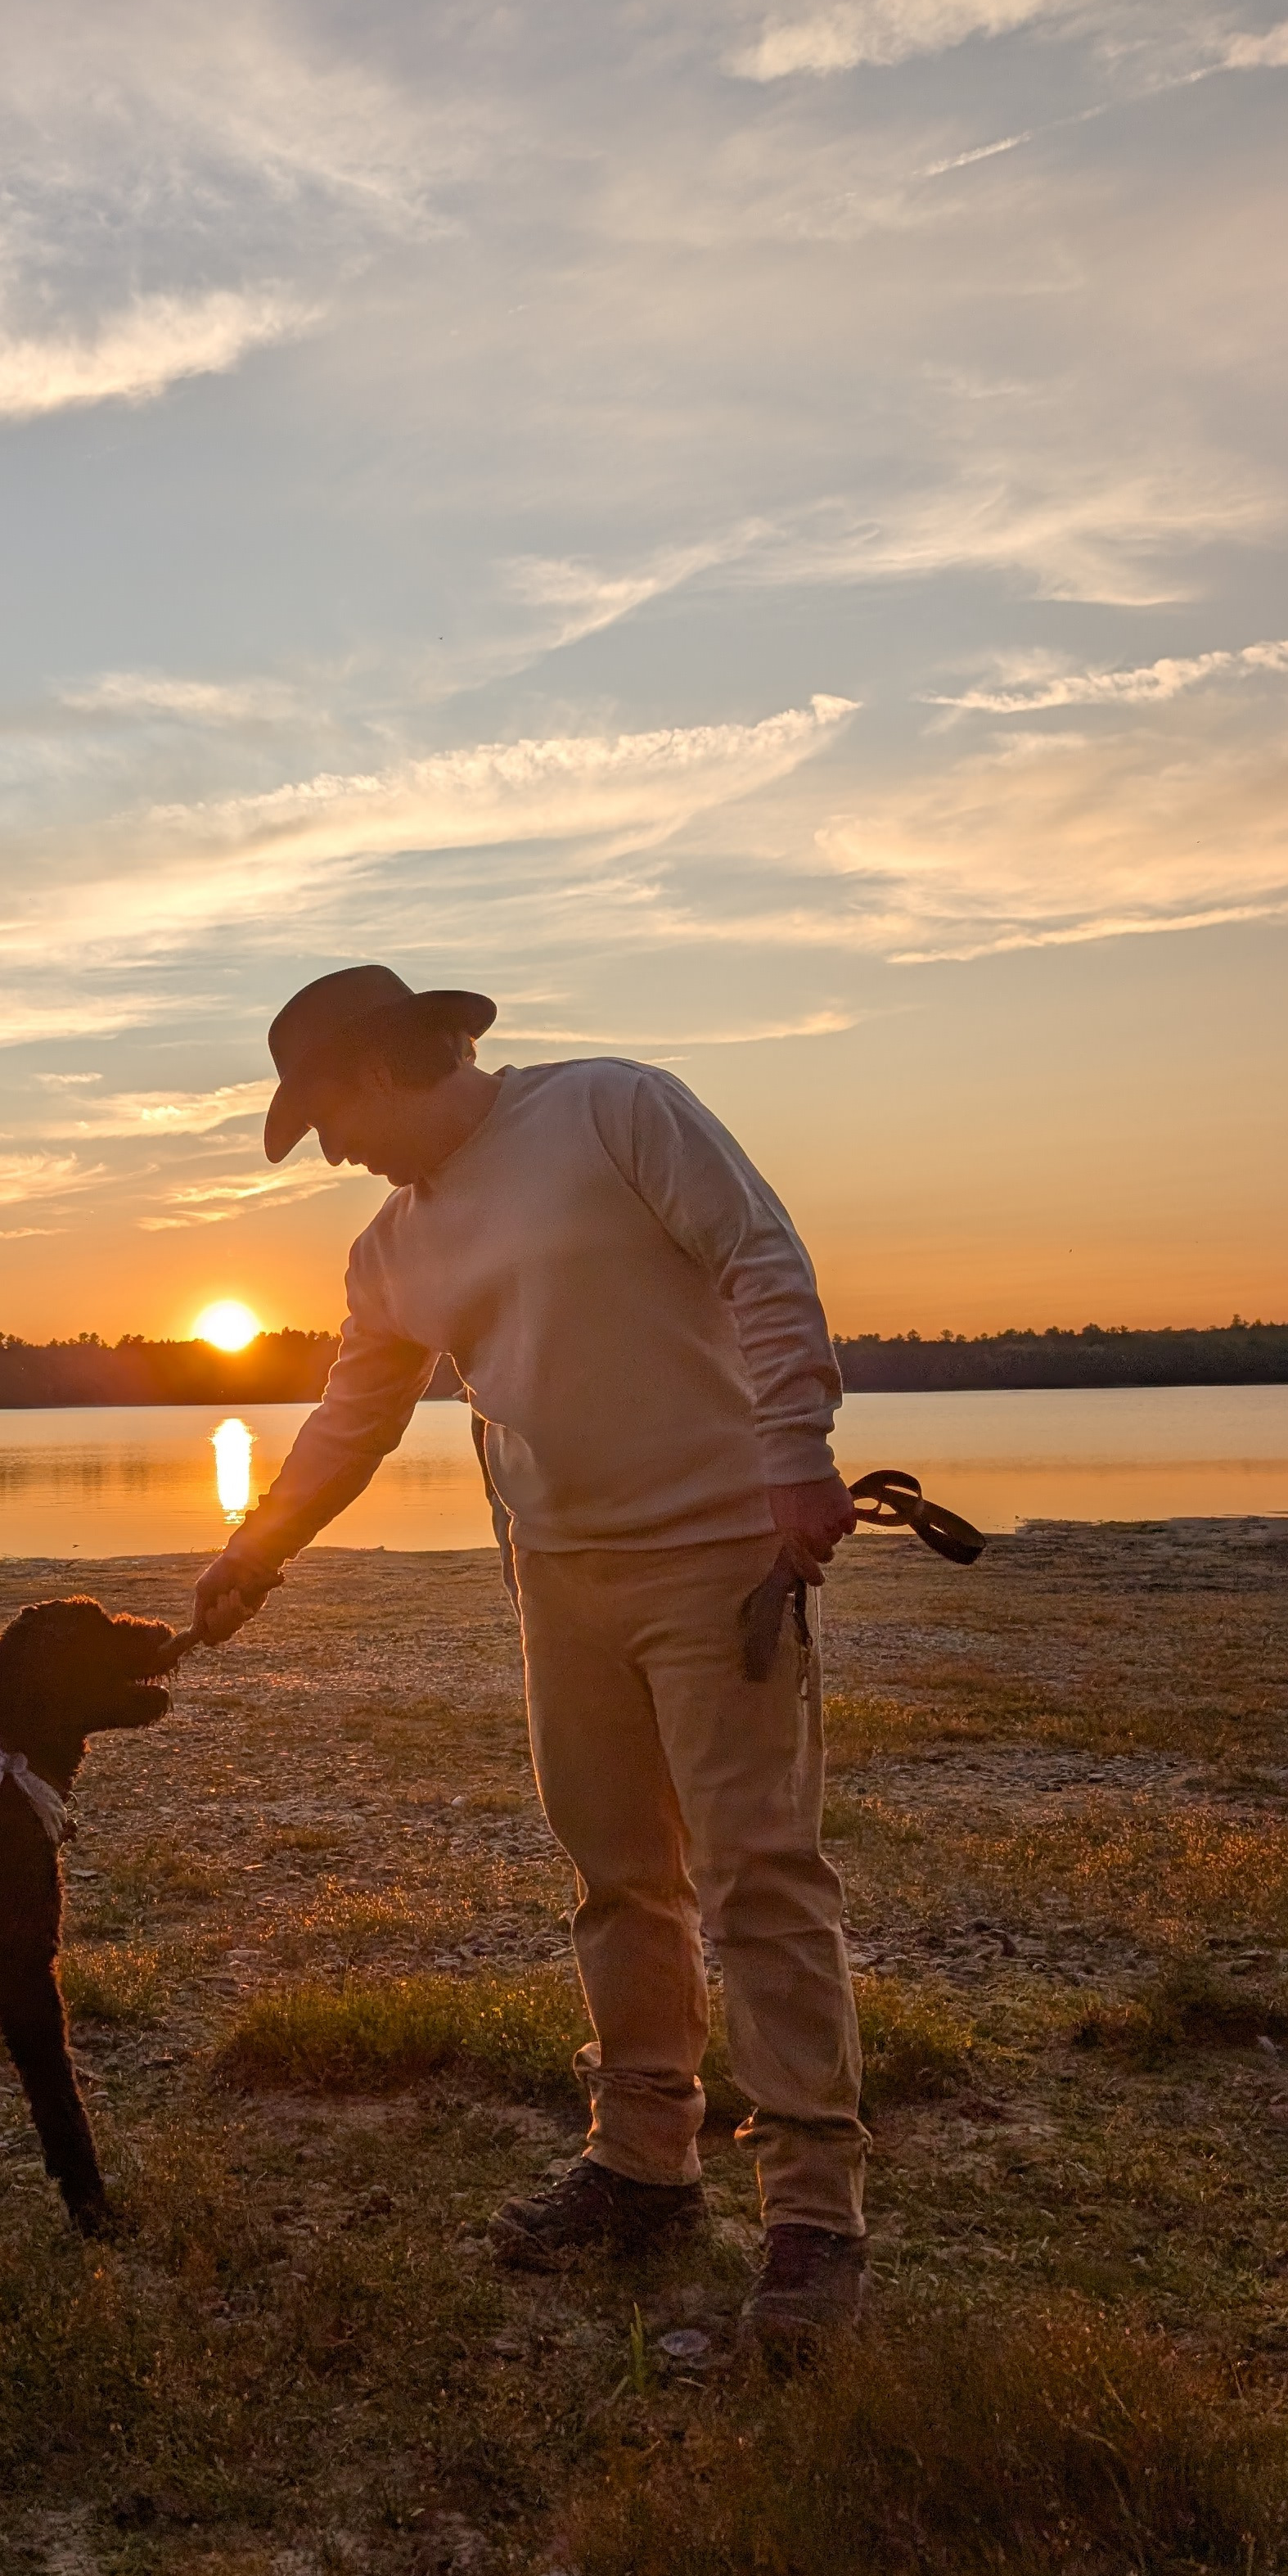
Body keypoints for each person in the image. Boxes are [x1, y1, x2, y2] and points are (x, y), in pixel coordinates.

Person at [191, 965, 869, 2349]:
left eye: (331, 1118)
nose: (336, 1153)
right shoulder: (388, 1251)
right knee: (617, 1878)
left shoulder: (616, 1112)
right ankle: (641, 2166)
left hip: (721, 1561)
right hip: (558, 1583)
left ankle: (812, 2219)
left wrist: (796, 1454)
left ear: (388, 1067)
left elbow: (761, 1257)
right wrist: (256, 1552)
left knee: (760, 1879)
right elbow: (350, 1422)